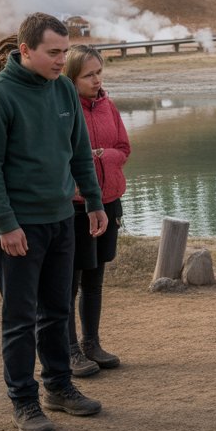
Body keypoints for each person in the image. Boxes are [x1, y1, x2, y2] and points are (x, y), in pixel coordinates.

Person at [0, 13, 108, 431]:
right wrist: (6, 224)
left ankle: (59, 387)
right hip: (20, 227)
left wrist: (94, 203)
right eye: (53, 52)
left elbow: (80, 153)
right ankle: (24, 402)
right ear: (25, 50)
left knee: (56, 311)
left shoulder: (64, 88)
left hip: (62, 220)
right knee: (19, 316)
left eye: (65, 51)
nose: (60, 60)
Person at [63, 44, 131, 376]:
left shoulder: (108, 105)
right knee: (69, 281)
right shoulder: (63, 109)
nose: (96, 80)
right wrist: (86, 159)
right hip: (76, 207)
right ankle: (70, 350)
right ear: (71, 77)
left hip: (108, 201)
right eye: (88, 74)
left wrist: (104, 156)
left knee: (95, 278)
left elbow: (124, 147)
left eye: (99, 72)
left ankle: (92, 343)